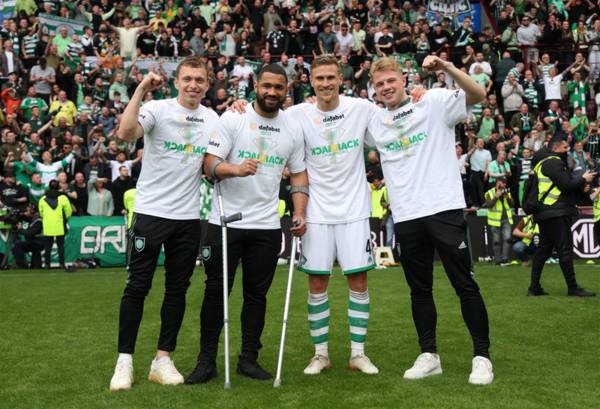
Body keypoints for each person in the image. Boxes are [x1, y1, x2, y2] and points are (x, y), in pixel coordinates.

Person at [367, 56, 493, 384]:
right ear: (375, 90)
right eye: (380, 84)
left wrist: (447, 68)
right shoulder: (375, 121)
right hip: (407, 215)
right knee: (419, 289)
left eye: (390, 81)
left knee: (464, 283)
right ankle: (429, 355)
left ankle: (482, 357)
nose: (386, 88)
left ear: (403, 80)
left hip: (443, 209)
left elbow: (479, 94)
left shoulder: (434, 101)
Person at [185, 64, 308, 384]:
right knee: (215, 293)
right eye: (266, 86)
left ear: (286, 89)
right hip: (225, 223)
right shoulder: (234, 118)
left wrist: (300, 212)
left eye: (278, 88)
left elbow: (298, 174)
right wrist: (235, 169)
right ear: (256, 85)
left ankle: (248, 359)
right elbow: (209, 164)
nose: (271, 92)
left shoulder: (292, 127)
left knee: (257, 295)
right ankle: (206, 361)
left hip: (266, 227)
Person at [109, 56, 219, 392]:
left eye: (199, 80)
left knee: (177, 289)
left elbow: (220, 153)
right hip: (151, 213)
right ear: (177, 81)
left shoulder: (212, 118)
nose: (193, 85)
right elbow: (126, 133)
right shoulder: (157, 108)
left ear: (208, 83)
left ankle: (162, 358)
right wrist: (141, 88)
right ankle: (124, 361)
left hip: (187, 218)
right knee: (137, 286)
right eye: (187, 79)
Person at [285, 55, 381, 375]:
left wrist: (417, 95)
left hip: (354, 210)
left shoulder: (362, 108)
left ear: (341, 78)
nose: (325, 83)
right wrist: (239, 108)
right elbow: (265, 119)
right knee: (317, 283)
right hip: (317, 213)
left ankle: (358, 353)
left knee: (358, 279)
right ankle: (321, 354)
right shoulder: (297, 114)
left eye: (331, 77)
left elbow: (395, 119)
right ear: (310, 81)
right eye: (319, 78)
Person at [528, 137, 597, 297]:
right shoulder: (554, 162)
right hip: (556, 213)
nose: (568, 149)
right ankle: (572, 287)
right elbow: (565, 186)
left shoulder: (542, 164)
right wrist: (583, 179)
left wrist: (579, 183)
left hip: (545, 212)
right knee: (564, 250)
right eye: (565, 147)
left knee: (543, 250)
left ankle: (534, 287)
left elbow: (562, 184)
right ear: (555, 148)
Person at [38, 180, 72, 269]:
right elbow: (69, 211)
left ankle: (47, 264)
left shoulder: (42, 199)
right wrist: (65, 219)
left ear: (49, 187)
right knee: (60, 245)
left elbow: (41, 213)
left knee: (47, 247)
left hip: (48, 225)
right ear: (58, 187)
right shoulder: (63, 198)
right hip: (60, 225)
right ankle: (61, 264)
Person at [484, 177, 514, 266]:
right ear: (496, 183)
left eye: (504, 184)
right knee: (496, 242)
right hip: (494, 221)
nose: (502, 185)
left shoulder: (506, 192)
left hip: (506, 220)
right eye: (501, 183)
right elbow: (489, 205)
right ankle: (498, 260)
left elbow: (513, 204)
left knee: (507, 239)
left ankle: (505, 259)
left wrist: (507, 197)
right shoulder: (489, 193)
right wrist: (496, 196)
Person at [12, 205, 44, 269]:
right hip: (35, 242)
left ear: (32, 211)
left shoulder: (38, 221)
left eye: (27, 211)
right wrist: (19, 214)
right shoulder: (34, 218)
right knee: (16, 246)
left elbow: (29, 233)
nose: (25, 212)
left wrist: (20, 229)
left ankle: (21, 266)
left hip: (39, 242)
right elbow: (25, 218)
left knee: (18, 245)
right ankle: (34, 265)